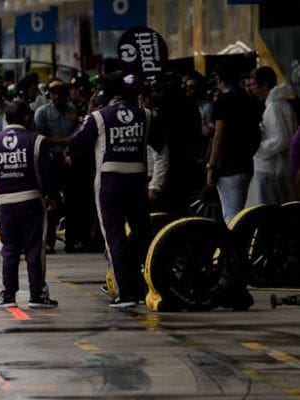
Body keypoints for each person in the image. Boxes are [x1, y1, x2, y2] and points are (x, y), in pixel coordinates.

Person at [69, 73, 158, 308]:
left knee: (114, 236)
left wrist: (88, 114)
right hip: (138, 181)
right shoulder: (145, 115)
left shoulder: (98, 117)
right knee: (141, 231)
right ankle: (144, 284)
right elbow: (161, 142)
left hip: (109, 183)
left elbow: (76, 143)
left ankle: (126, 293)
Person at [0, 100, 58, 308]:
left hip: (5, 203)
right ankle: (37, 295)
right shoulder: (37, 141)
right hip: (32, 201)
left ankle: (8, 295)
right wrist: (52, 196)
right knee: (35, 248)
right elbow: (48, 174)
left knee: (8, 249)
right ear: (27, 118)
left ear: (5, 118)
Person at [207, 62, 264, 224]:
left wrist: (211, 166)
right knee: (241, 213)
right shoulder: (249, 100)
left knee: (232, 216)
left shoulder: (222, 101)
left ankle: (234, 248)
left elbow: (218, 135)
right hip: (246, 164)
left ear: (220, 80)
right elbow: (257, 133)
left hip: (228, 166)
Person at [33, 79, 80, 251]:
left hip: (69, 159)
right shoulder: (41, 113)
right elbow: (40, 140)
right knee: (50, 202)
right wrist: (64, 141)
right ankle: (48, 241)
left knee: (72, 201)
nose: (58, 96)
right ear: (49, 95)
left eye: (61, 92)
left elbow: (77, 135)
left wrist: (68, 148)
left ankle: (72, 240)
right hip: (49, 161)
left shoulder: (73, 111)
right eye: (54, 93)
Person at [149, 73, 204, 217]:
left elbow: (157, 139)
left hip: (170, 164)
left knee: (166, 211)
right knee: (182, 207)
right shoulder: (190, 103)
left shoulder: (160, 105)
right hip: (188, 163)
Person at [248, 67, 298, 206]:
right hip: (274, 167)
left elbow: (281, 139)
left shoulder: (275, 107)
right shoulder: (279, 104)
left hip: (271, 169)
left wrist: (258, 148)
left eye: (254, 84)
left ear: (264, 85)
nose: (252, 88)